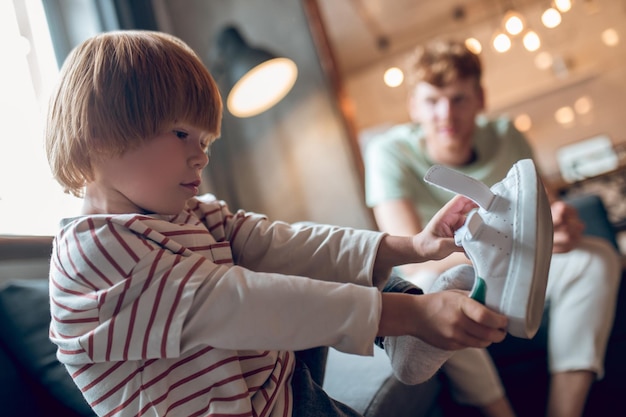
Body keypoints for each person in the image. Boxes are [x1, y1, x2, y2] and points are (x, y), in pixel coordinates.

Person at [44, 31, 511, 417]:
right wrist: (412, 316)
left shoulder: (185, 215)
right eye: (183, 133)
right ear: (102, 134)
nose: (201, 154)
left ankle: (401, 338)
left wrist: (410, 247)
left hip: (281, 391)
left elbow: (281, 244)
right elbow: (240, 304)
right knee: (283, 297)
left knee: (298, 259)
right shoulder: (94, 254)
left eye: (205, 140)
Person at [364, 38, 623, 417]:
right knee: (441, 293)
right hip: (446, 271)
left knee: (597, 257)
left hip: (520, 263)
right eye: (433, 101)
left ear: (480, 99)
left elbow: (547, 212)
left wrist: (559, 229)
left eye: (459, 99)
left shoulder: (507, 136)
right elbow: (409, 258)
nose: (446, 115)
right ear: (414, 106)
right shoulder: (389, 154)